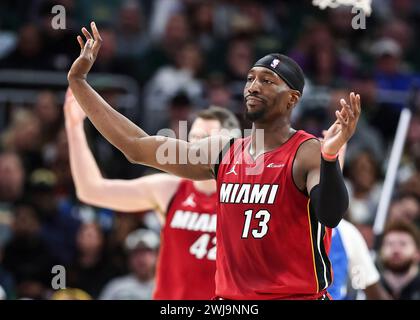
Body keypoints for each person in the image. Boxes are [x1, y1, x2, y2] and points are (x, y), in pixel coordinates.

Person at [67, 22, 361, 299]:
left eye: (268, 81)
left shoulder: (306, 151)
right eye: (250, 79)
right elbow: (136, 147)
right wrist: (80, 83)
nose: (254, 86)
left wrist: (330, 157)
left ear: (292, 99)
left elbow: (331, 215)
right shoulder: (223, 151)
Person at [64, 89, 240, 299]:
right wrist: (74, 126)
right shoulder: (169, 189)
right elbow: (91, 190)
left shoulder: (246, 197)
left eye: (209, 138)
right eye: (195, 138)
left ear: (231, 145)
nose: (199, 146)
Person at [99, 229, 159, 300]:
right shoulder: (116, 288)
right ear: (129, 259)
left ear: (157, 255)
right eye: (136, 253)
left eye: (146, 252)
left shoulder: (167, 287)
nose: (140, 258)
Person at [379, 220, 420, 300]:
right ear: (381, 252)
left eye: (403, 244)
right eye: (390, 244)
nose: (396, 250)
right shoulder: (371, 287)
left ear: (417, 253)